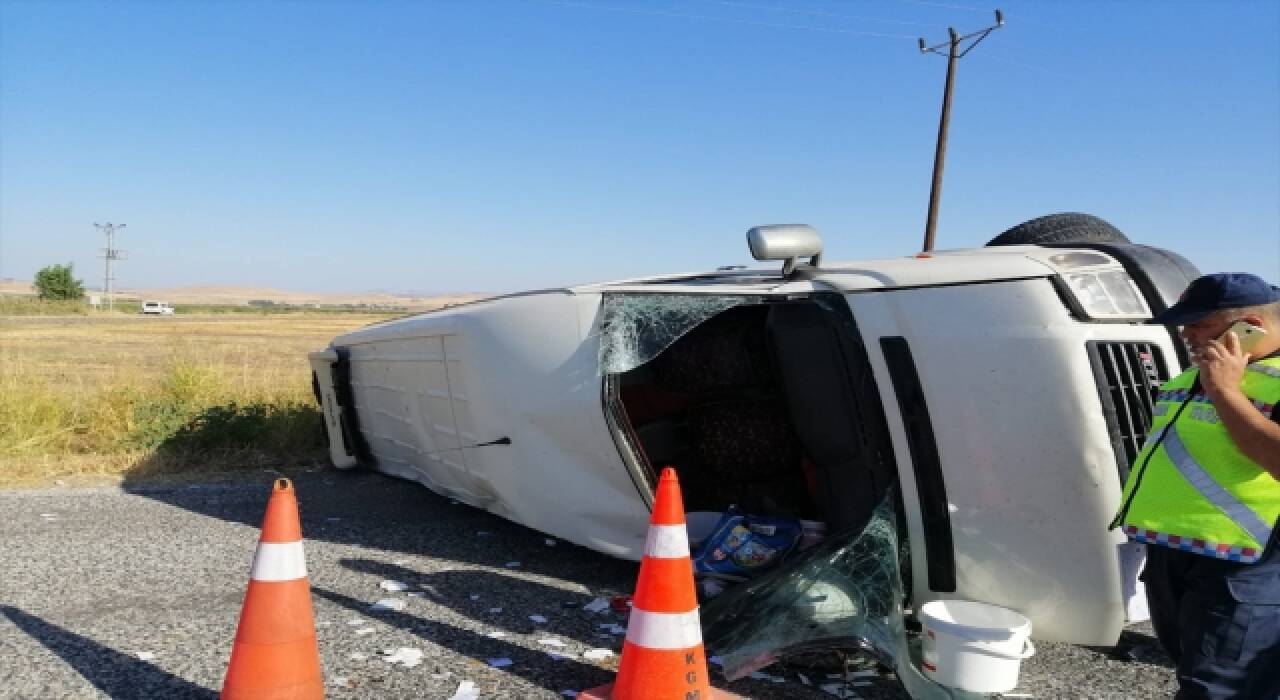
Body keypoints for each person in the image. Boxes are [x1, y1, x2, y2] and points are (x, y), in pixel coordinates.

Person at [1112, 272, 1280, 698]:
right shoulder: (1204, 371)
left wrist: (1226, 392)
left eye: (1199, 324)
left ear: (1250, 328)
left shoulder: (1233, 378)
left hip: (1242, 566)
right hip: (1174, 552)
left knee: (1219, 689)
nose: (1186, 334)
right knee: (1191, 670)